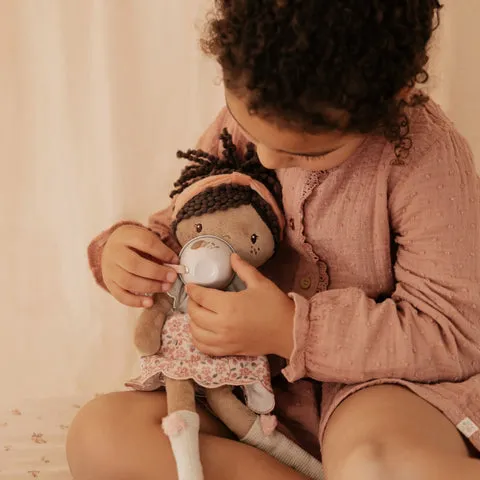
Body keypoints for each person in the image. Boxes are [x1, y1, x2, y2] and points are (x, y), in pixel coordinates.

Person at [67, 2, 480, 479]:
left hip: (378, 391)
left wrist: (292, 331)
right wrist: (131, 251)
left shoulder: (424, 156)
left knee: (374, 466)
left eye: (307, 153)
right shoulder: (257, 109)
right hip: (242, 394)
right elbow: (192, 221)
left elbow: (455, 332)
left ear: (394, 97)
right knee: (98, 437)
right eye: (247, 127)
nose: (265, 159)